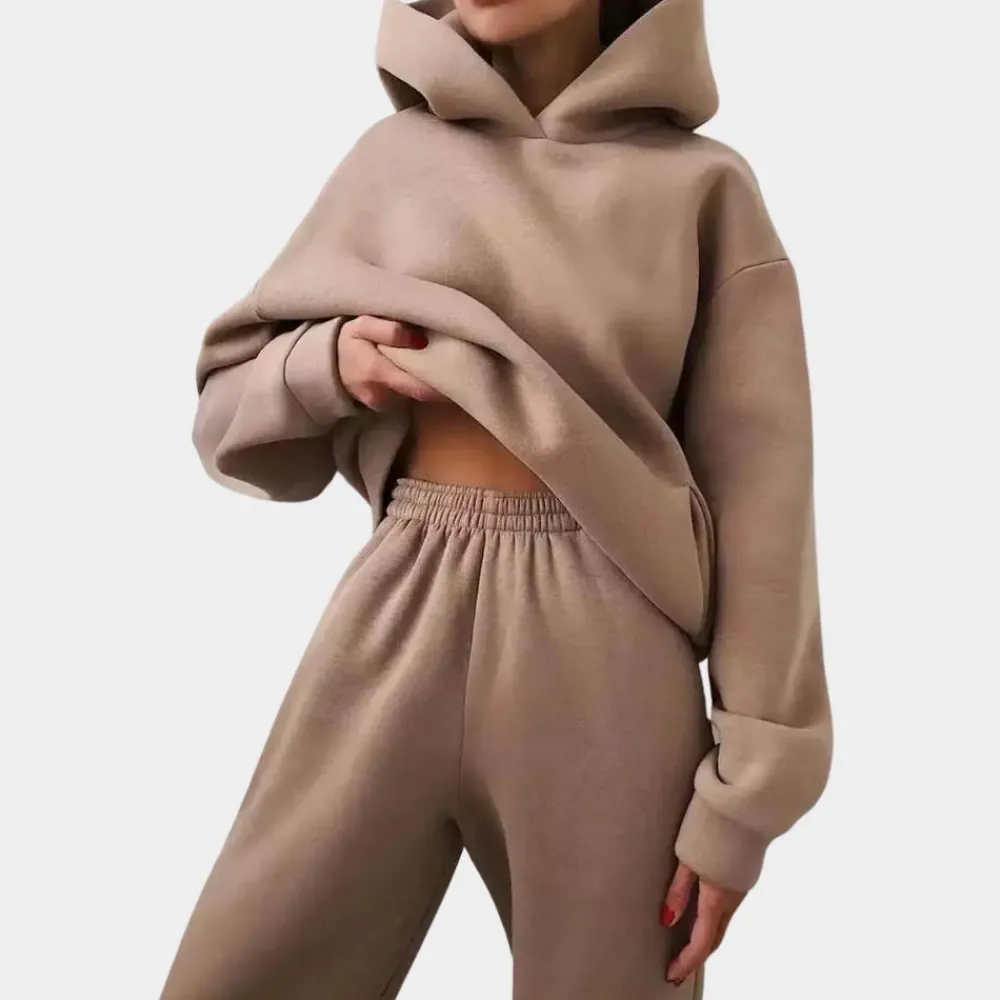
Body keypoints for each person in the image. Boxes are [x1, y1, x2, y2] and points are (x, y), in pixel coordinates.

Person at [160, 1, 833, 997]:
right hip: (401, 606)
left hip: (612, 645)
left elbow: (764, 496)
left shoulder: (701, 187)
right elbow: (225, 410)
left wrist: (746, 801)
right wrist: (329, 361)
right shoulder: (392, 161)